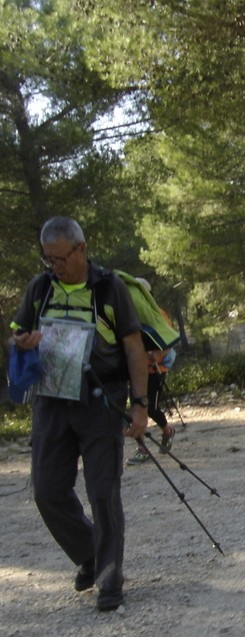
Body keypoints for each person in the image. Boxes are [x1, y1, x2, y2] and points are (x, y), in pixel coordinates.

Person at [8, 216, 149, 611]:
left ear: (81, 250)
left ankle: (109, 580)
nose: (54, 265)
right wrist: (22, 342)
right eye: (48, 258)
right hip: (51, 401)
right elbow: (16, 334)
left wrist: (139, 405)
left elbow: (134, 348)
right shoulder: (40, 288)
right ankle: (89, 553)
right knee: (47, 490)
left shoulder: (109, 288)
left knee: (103, 492)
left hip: (100, 402)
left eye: (60, 258)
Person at [126, 277, 176, 465]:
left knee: (152, 409)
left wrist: (155, 356)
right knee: (135, 409)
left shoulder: (159, 315)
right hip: (136, 370)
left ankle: (167, 432)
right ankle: (142, 449)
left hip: (156, 368)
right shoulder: (129, 316)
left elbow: (169, 341)